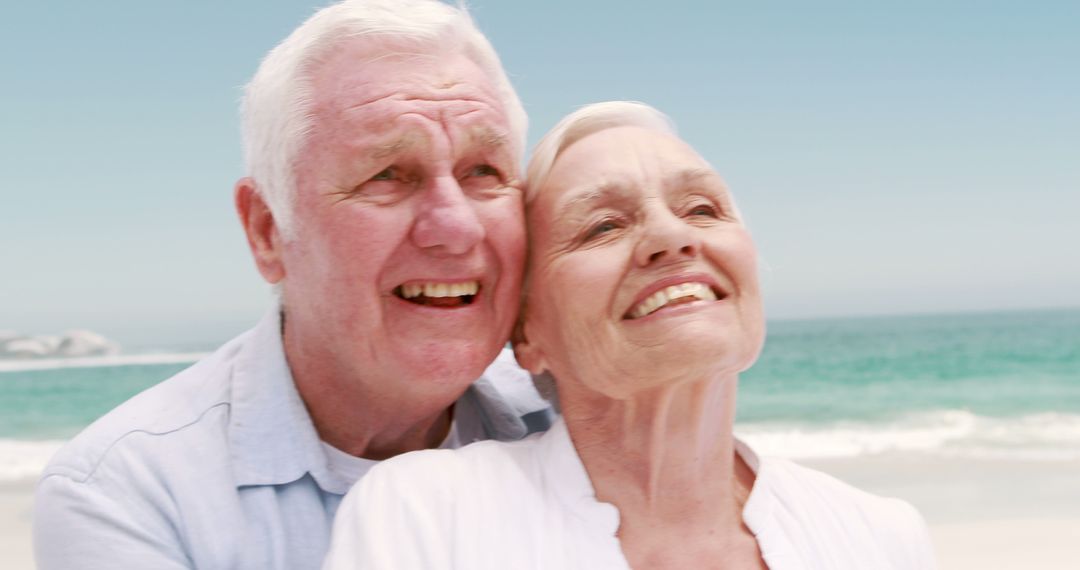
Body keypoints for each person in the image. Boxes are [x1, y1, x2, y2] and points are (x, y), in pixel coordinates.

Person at [32, 1, 552, 568]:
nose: (455, 227)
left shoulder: (573, 419)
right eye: (385, 175)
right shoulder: (129, 496)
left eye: (484, 172)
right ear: (267, 230)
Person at [323, 101, 938, 569]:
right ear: (527, 334)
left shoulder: (878, 536)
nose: (674, 239)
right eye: (602, 227)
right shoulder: (427, 516)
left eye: (703, 209)